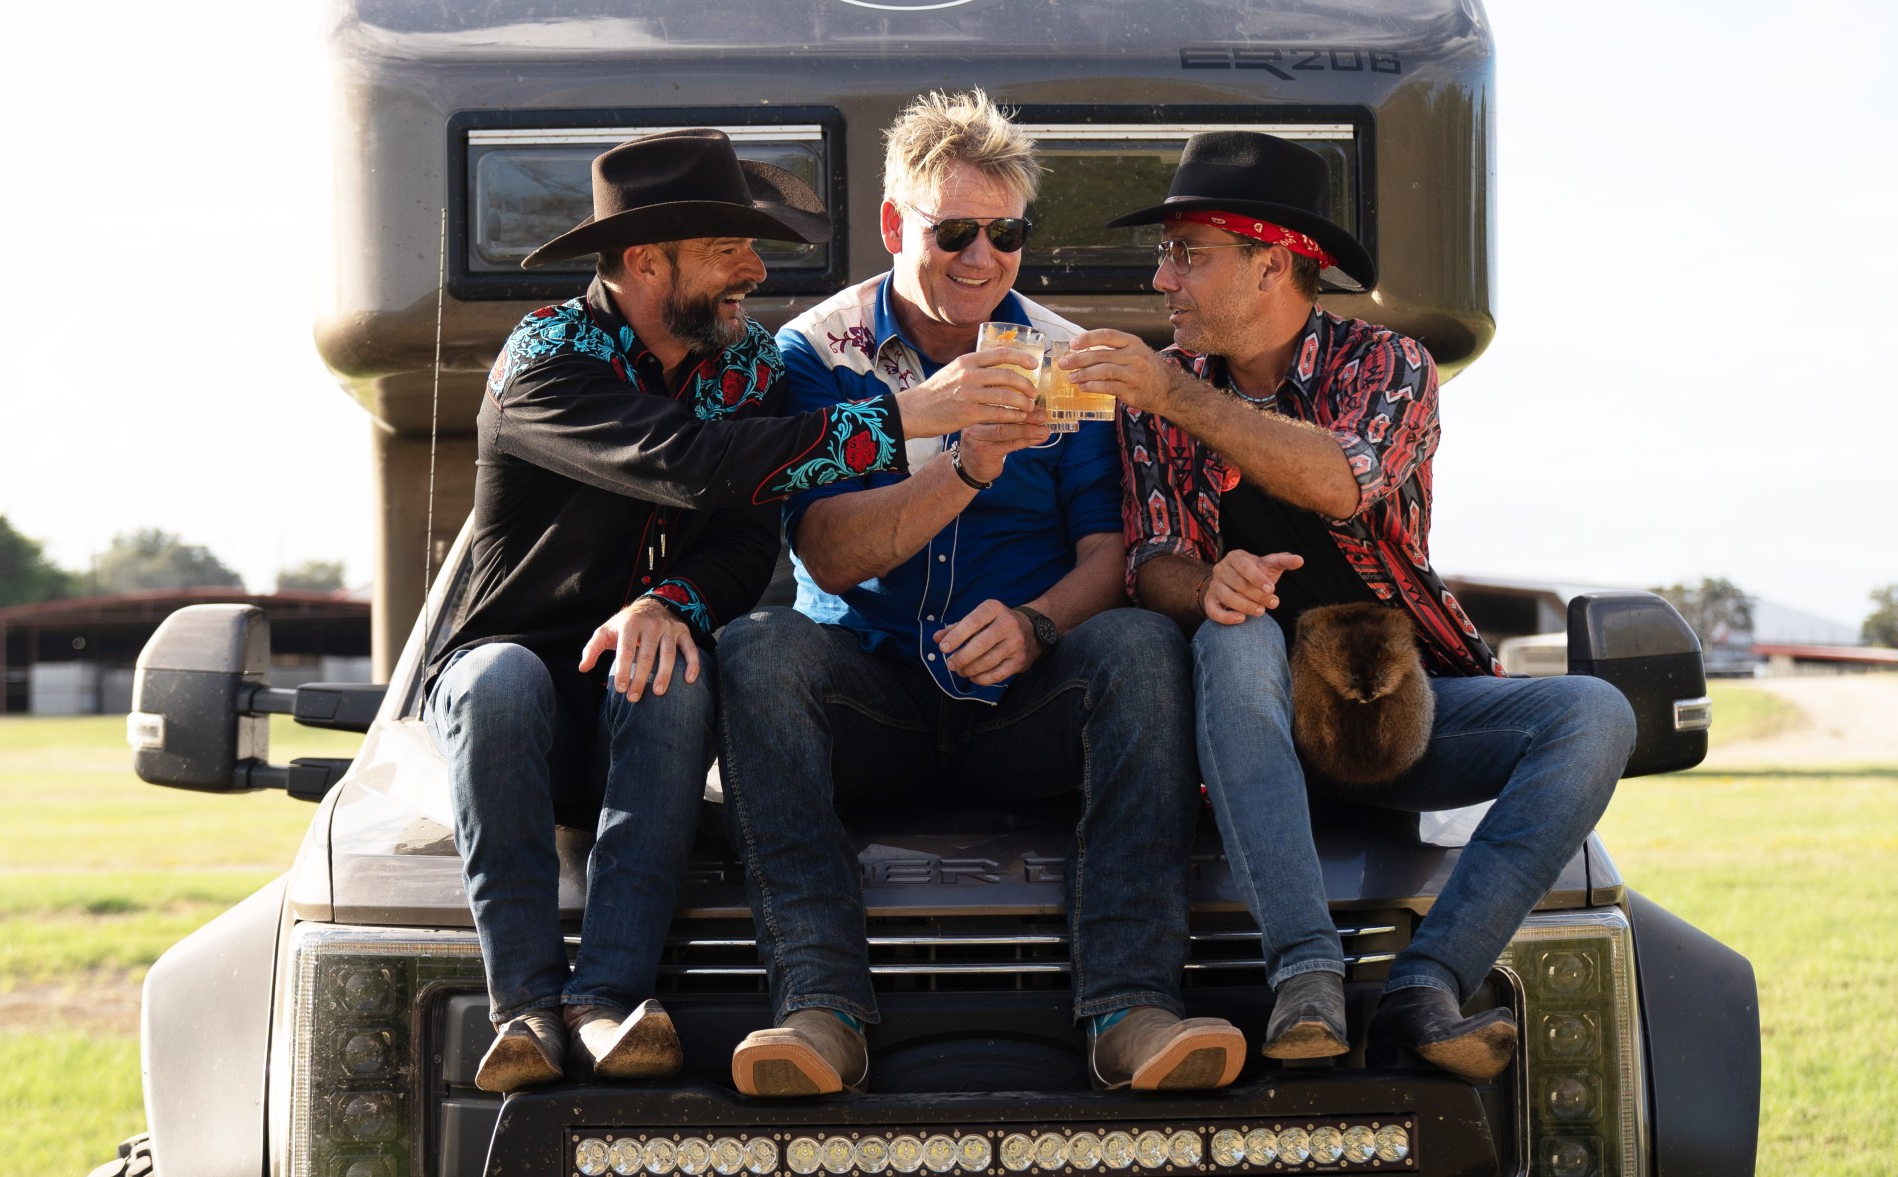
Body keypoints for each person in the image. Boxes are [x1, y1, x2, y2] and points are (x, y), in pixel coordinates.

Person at [424, 128, 1032, 1093]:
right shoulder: (545, 356)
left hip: (633, 696)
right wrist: (911, 416)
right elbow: (687, 462)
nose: (756, 269)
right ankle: (526, 1012)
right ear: (642, 261)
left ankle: (609, 1002)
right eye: (728, 249)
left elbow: (750, 534)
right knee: (497, 679)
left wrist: (671, 602)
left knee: (674, 669)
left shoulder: (747, 362)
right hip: (514, 694)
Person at [1068, 131, 1637, 1082]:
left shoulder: (1391, 367)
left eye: (1188, 254)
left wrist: (1176, 394)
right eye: (1166, 254)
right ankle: (1306, 972)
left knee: (1595, 715)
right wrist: (1204, 582)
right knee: (1234, 636)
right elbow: (1151, 559)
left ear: (1271, 265)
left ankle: (1426, 985)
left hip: (1398, 713)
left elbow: (1340, 481)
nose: (1163, 279)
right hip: (1243, 730)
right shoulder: (1149, 399)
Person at [716, 90, 1245, 1098]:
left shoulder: (1063, 352)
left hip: (1022, 709)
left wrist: (1039, 624)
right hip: (873, 701)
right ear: (892, 226)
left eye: (1005, 234)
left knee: (1140, 642)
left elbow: (1113, 552)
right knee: (757, 647)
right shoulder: (817, 354)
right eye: (952, 230)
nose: (980, 257)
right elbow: (826, 556)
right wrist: (959, 462)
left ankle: (1133, 1010)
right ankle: (819, 1011)